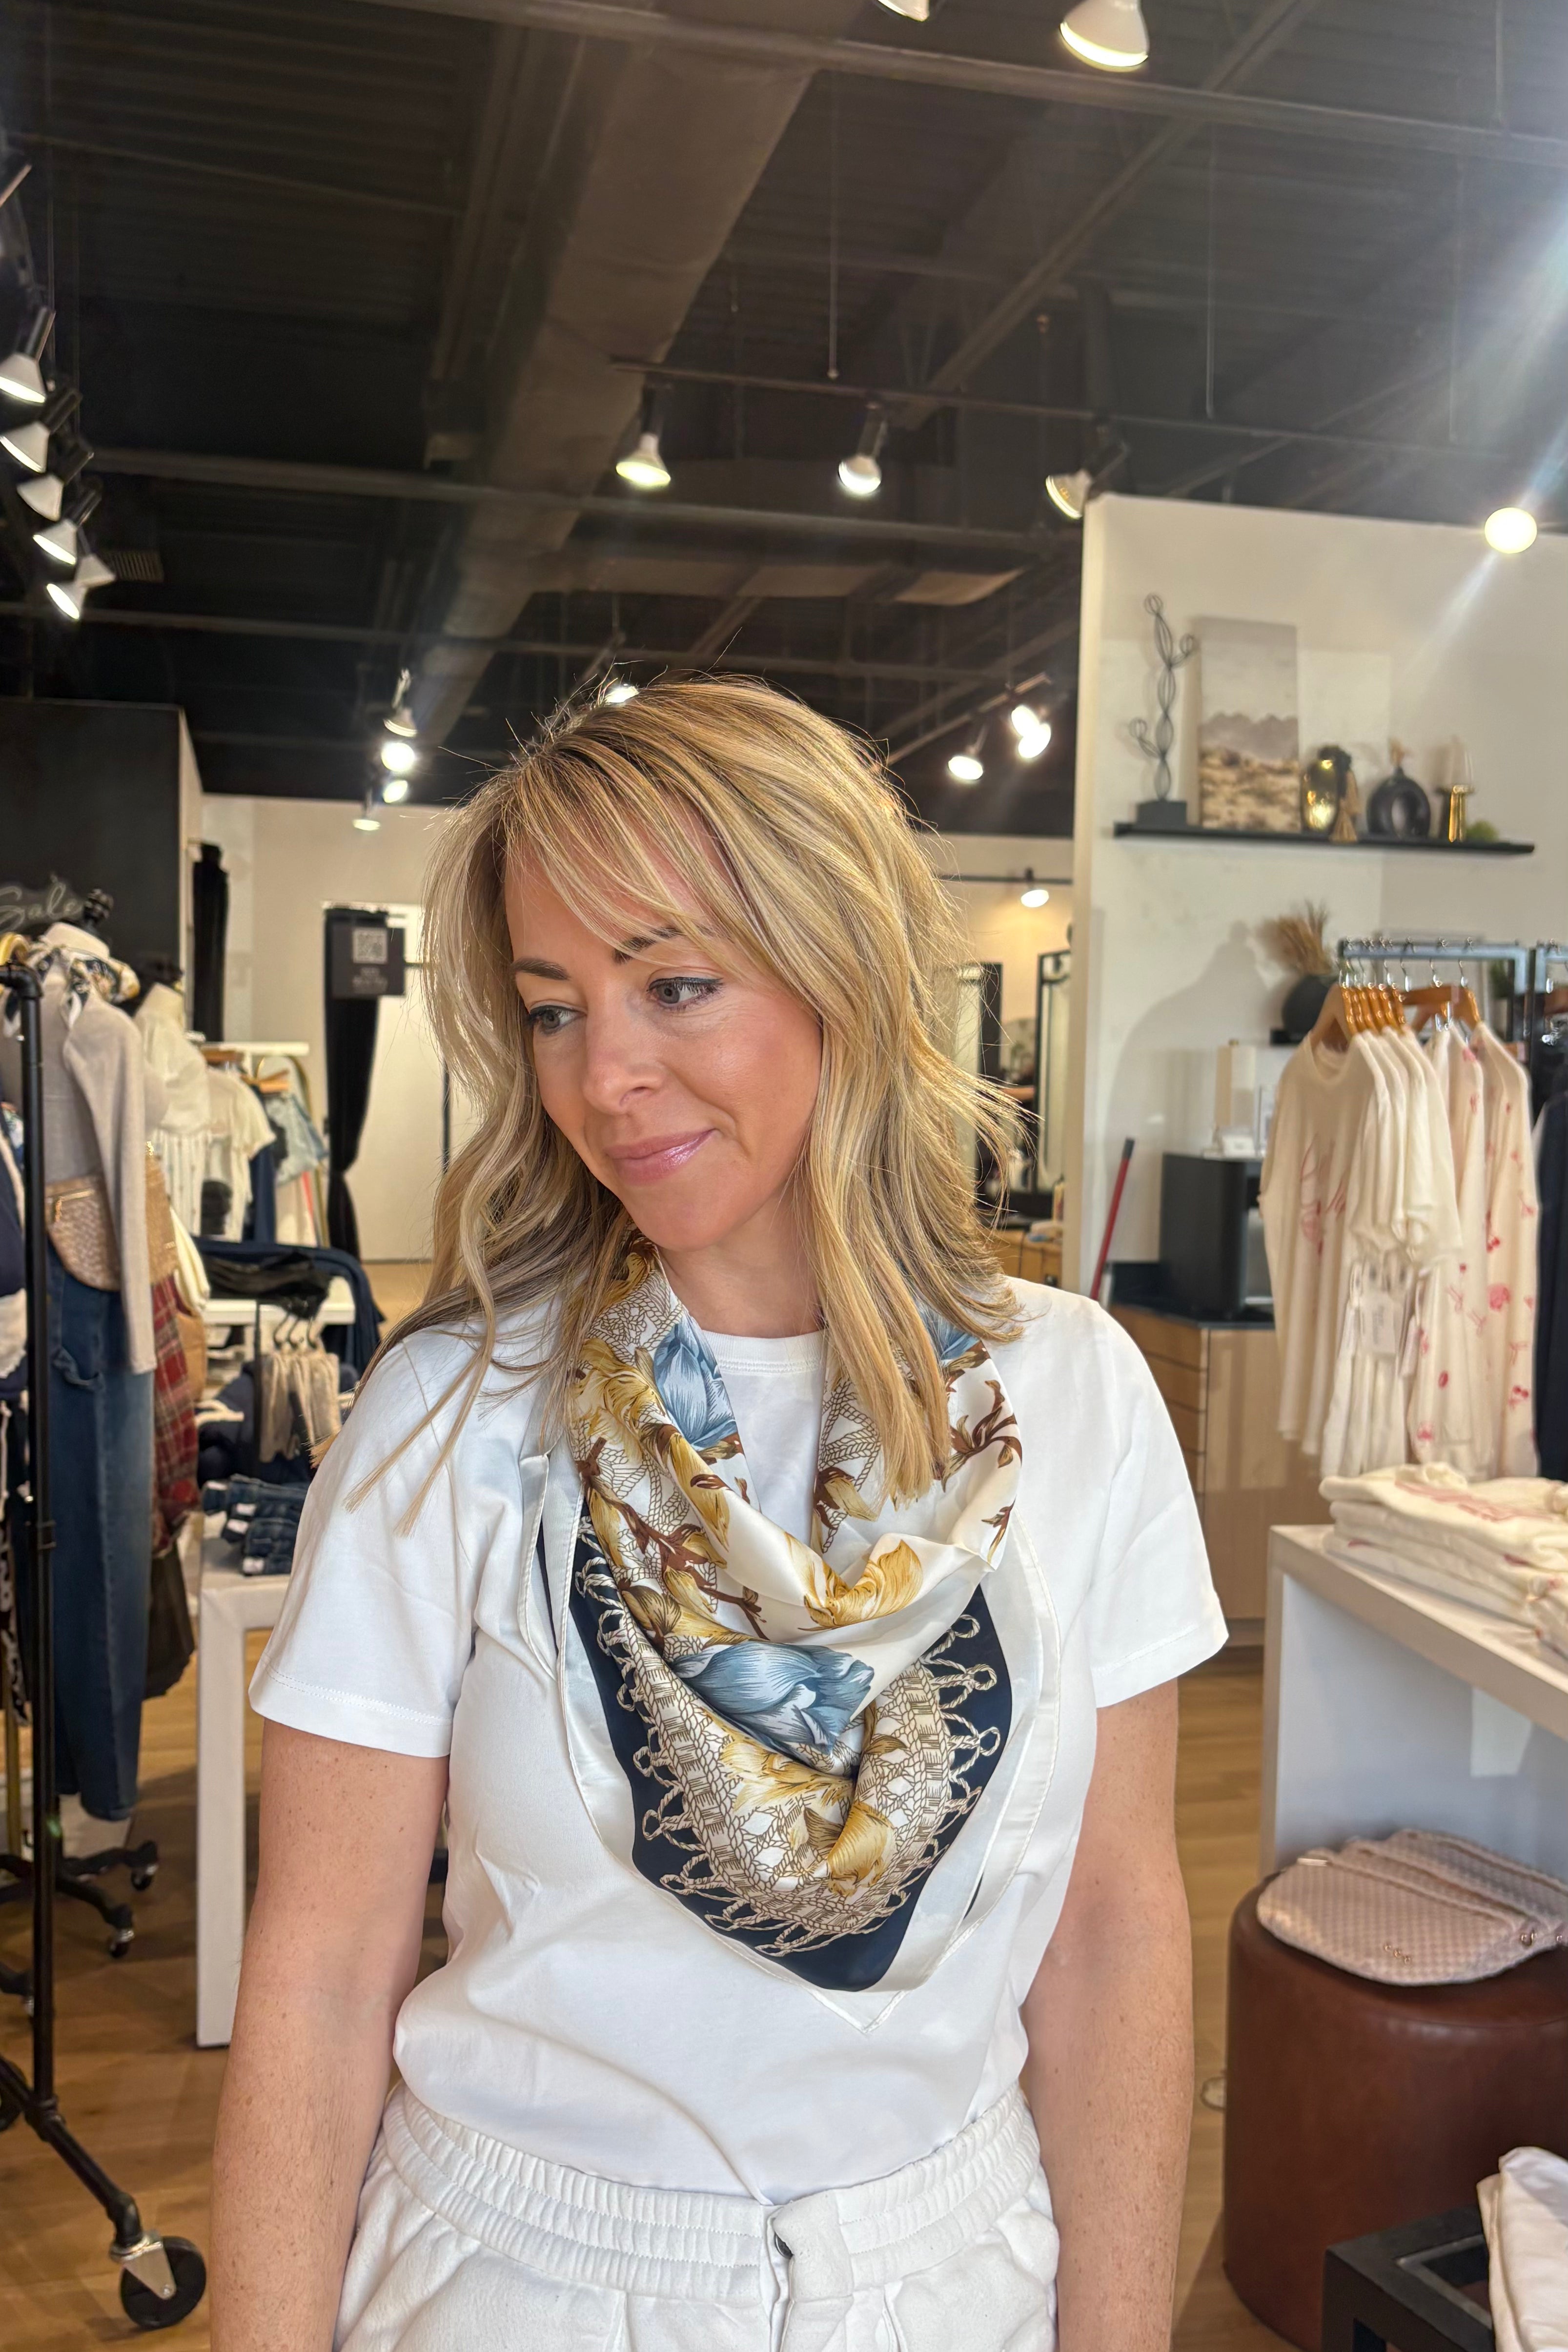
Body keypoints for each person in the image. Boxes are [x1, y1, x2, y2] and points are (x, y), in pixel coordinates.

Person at [211, 678, 1224, 2352]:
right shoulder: (457, 1412)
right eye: (553, 1007)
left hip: (958, 2274)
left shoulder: (1076, 1402)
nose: (604, 1073)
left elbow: (1115, 1932)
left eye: (676, 983)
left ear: (848, 975)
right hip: (516, 2280)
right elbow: (320, 1973)